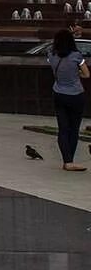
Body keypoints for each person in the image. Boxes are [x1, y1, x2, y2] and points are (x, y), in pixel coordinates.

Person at [46, 27, 89, 171]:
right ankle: (70, 161)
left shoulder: (52, 56)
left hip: (58, 94)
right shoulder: (76, 56)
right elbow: (87, 74)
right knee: (74, 129)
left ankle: (67, 160)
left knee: (63, 129)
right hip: (76, 95)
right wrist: (76, 74)